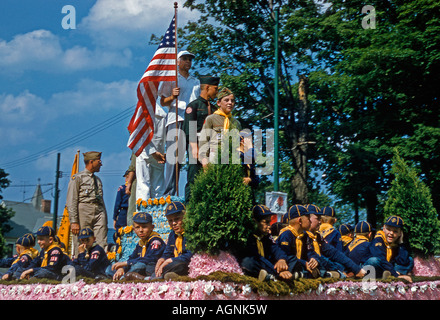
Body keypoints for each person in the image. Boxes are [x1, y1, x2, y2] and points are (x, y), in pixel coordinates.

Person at [159, 50, 201, 196]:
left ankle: (193, 193)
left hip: (192, 121)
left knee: (194, 158)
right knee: (174, 158)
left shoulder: (196, 81)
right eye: (184, 59)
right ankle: (169, 194)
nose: (188, 61)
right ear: (177, 61)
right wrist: (172, 96)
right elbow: (163, 101)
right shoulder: (172, 78)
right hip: (176, 119)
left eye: (190, 59)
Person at [183, 75, 220, 203]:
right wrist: (194, 147)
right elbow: (190, 127)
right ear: (207, 87)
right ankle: (189, 206)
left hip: (212, 146)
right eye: (215, 88)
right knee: (194, 176)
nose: (217, 92)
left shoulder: (215, 109)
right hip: (197, 143)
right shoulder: (193, 106)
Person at [66, 151, 108, 257]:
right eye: (99, 161)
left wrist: (105, 217)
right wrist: (74, 221)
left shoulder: (98, 180)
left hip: (98, 211)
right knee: (82, 240)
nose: (101, 164)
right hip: (84, 211)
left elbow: (101, 200)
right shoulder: (78, 178)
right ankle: (80, 264)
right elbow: (72, 201)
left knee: (101, 240)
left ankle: (100, 263)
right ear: (91, 162)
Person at [239, 205, 297, 282]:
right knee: (249, 261)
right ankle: (280, 276)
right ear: (255, 222)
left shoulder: (267, 236)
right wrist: (278, 270)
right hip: (260, 264)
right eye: (266, 222)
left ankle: (275, 276)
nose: (269, 226)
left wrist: (282, 260)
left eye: (269, 222)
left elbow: (276, 249)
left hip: (268, 265)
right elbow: (258, 257)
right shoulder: (247, 237)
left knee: (292, 258)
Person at [306, 208, 367, 279]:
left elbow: (334, 253)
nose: (320, 222)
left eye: (320, 219)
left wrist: (356, 269)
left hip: (325, 266)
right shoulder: (304, 236)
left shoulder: (317, 236)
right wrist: (339, 269)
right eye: (317, 219)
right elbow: (319, 257)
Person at [109, 212, 165, 281]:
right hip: (138, 267)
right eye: (137, 227)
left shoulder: (156, 241)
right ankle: (123, 275)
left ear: (152, 227)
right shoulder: (140, 243)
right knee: (110, 268)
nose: (141, 230)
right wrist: (122, 268)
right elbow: (132, 258)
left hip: (150, 268)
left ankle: (126, 277)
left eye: (144, 227)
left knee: (139, 266)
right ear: (134, 230)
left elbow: (149, 259)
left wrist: (126, 263)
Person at [199, 87, 242, 168]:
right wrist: (204, 159)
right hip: (214, 155)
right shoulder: (211, 119)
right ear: (218, 103)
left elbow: (239, 144)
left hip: (231, 158)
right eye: (226, 100)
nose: (230, 103)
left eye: (232, 101)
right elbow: (204, 141)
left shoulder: (236, 123)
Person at [364, 215, 413, 282]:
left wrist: (401, 243)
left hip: (388, 268)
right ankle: (394, 276)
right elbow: (381, 259)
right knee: (373, 261)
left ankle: (390, 275)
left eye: (395, 231)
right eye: (388, 229)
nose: (391, 233)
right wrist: (396, 275)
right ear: (384, 228)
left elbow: (403, 261)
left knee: (410, 260)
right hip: (376, 269)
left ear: (400, 233)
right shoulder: (378, 240)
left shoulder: (397, 243)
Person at [276, 204, 318, 278]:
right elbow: (286, 255)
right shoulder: (286, 235)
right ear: (300, 220)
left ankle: (301, 274)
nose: (311, 222)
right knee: (293, 261)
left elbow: (310, 251)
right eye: (308, 218)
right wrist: (304, 263)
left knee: (318, 265)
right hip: (290, 265)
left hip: (300, 265)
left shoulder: (305, 236)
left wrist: (313, 258)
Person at [136, 102, 167, 200]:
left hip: (146, 151)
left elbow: (139, 133)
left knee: (143, 185)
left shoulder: (144, 111)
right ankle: (158, 212)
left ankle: (143, 213)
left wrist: (153, 151)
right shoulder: (163, 114)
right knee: (158, 187)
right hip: (159, 152)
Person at [155, 201, 193, 280]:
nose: (174, 223)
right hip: (174, 264)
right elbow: (167, 252)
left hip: (185, 263)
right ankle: (161, 275)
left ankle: (159, 277)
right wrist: (161, 260)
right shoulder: (172, 234)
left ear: (185, 216)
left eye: (177, 219)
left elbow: (191, 254)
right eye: (170, 221)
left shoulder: (191, 232)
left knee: (179, 265)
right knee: (155, 264)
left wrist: (170, 260)